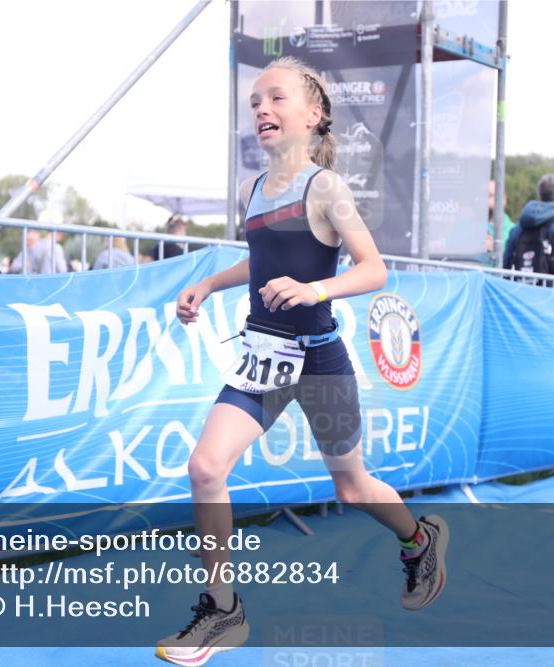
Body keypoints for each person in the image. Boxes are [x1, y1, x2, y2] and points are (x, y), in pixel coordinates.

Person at [157, 56, 449, 666]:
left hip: (320, 361)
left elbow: (374, 269)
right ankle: (222, 607)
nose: (262, 108)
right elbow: (259, 263)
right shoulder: (250, 190)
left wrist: (316, 290)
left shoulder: (326, 188)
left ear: (314, 115)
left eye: (276, 98)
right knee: (207, 468)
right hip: (263, 354)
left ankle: (419, 541)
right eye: (255, 101)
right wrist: (209, 285)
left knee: (351, 485)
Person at [485, 179, 515, 260]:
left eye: (490, 196)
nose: (486, 201)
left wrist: (493, 252)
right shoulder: (470, 227)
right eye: (484, 196)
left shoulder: (513, 231)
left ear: (503, 199)